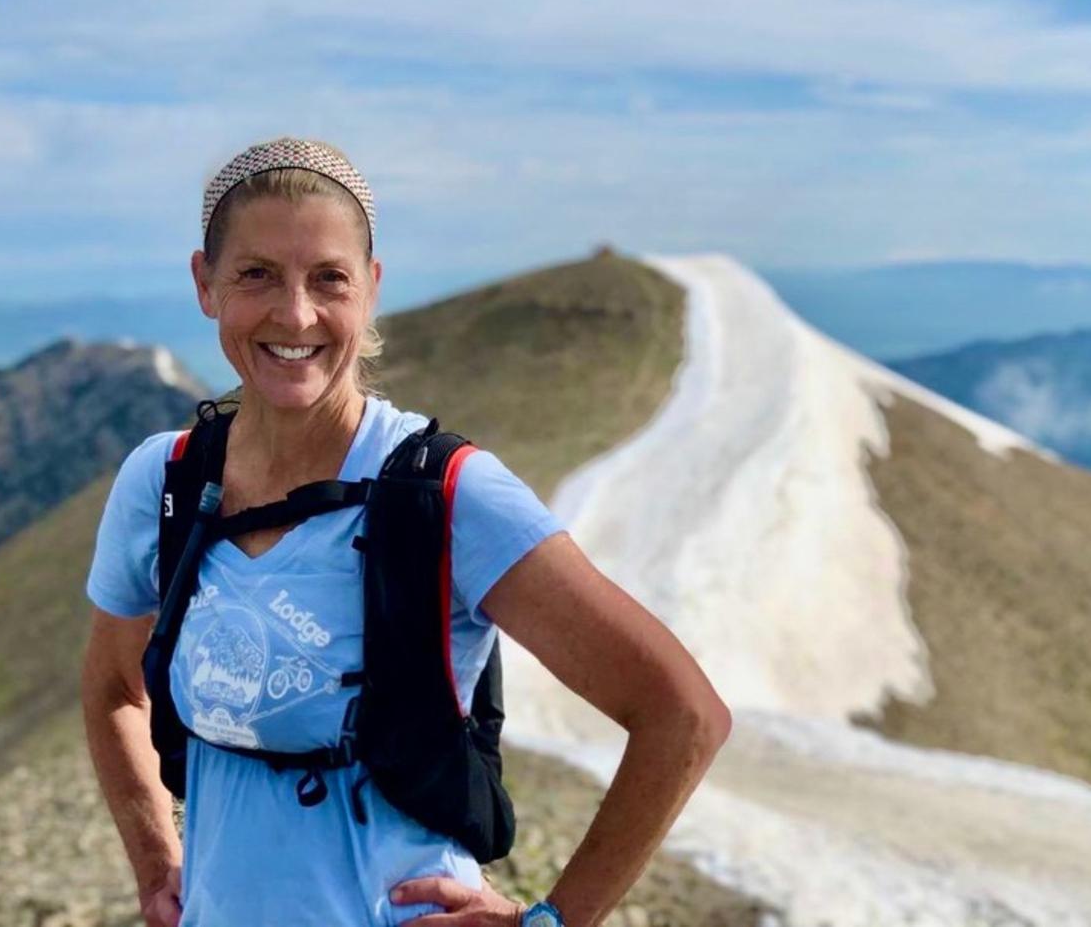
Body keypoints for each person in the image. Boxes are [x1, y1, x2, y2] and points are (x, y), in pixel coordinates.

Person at [81, 137, 731, 927]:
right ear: (204, 284)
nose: (296, 314)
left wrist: (551, 922)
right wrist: (158, 867)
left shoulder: (448, 495)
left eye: (330, 279)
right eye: (256, 275)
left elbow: (683, 714)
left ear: (372, 289)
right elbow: (116, 689)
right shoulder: (167, 482)